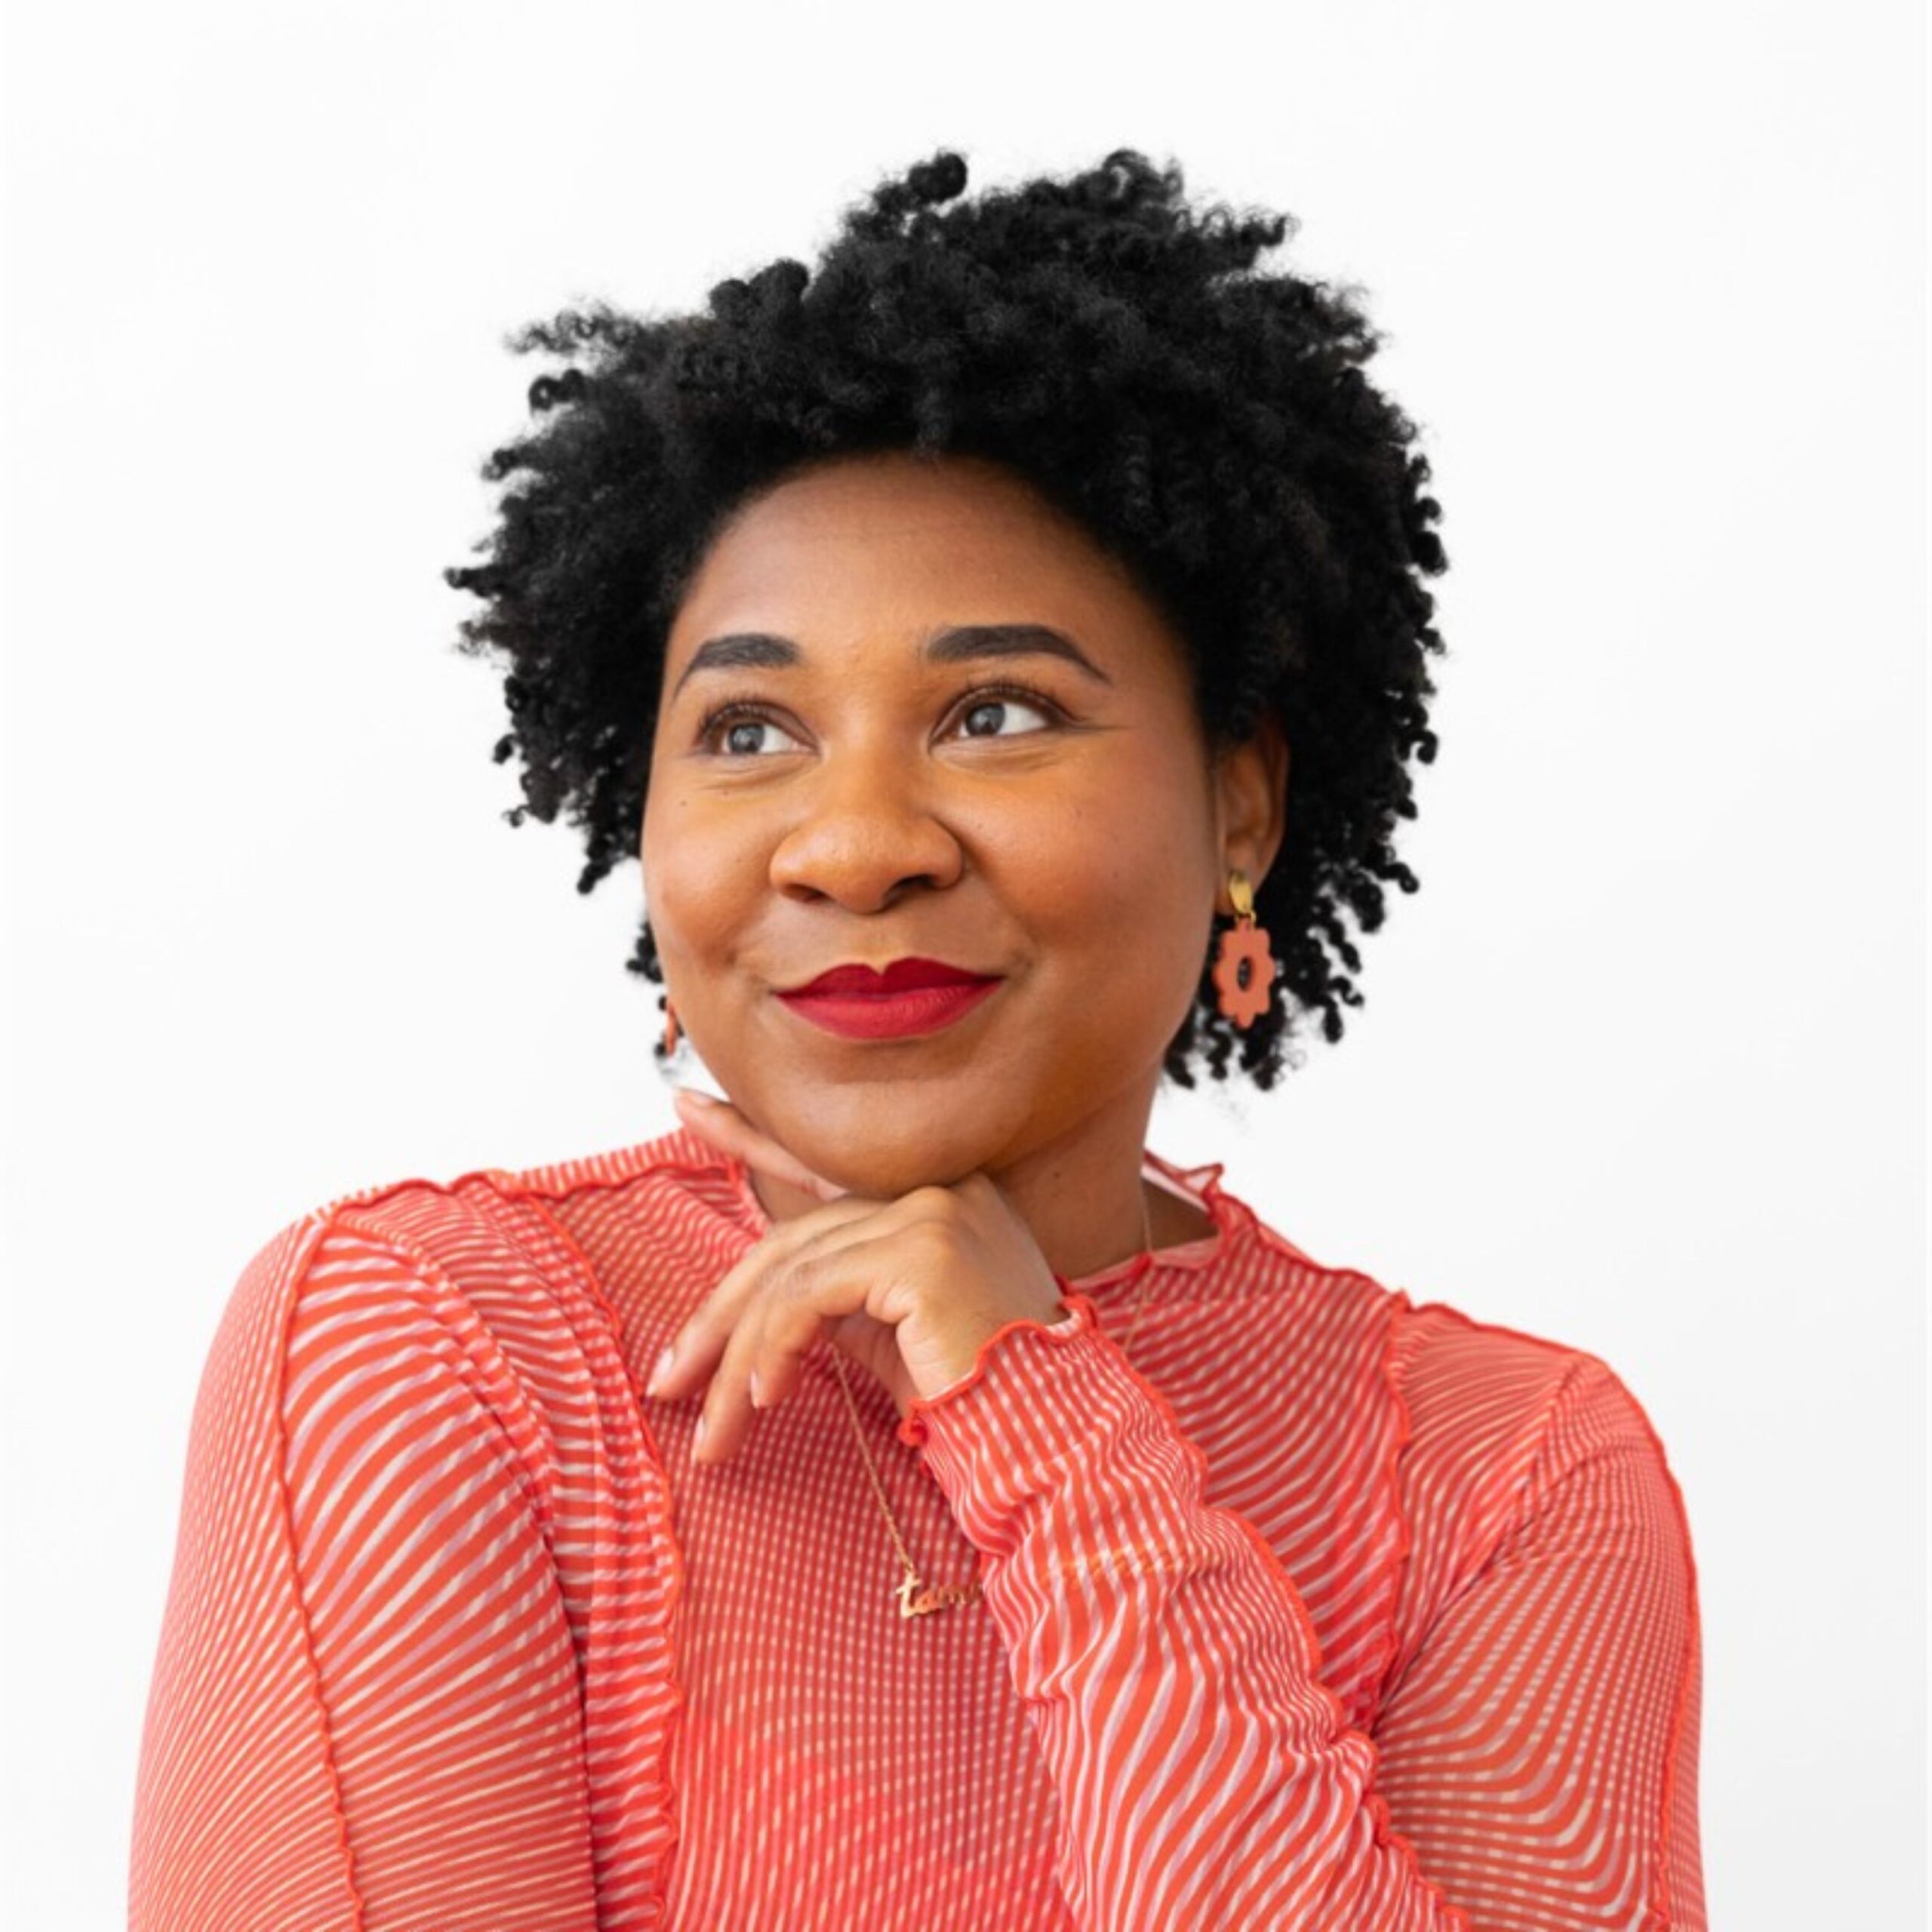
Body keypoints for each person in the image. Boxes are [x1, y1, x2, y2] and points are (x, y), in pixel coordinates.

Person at [128, 149, 1705, 1930]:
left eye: (997, 710)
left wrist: (1043, 1415)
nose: (854, 838)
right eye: (745, 732)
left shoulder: (1501, 1476)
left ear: (1240, 803)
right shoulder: (434, 1347)